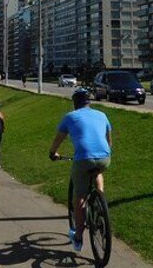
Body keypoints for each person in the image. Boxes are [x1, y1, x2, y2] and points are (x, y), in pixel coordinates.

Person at [48, 88, 112, 253]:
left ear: (75, 103)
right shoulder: (102, 115)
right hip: (105, 157)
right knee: (98, 171)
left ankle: (78, 237)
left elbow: (58, 139)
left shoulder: (70, 117)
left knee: (79, 198)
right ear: (89, 102)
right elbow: (109, 141)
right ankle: (100, 199)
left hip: (83, 158)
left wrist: (53, 153)